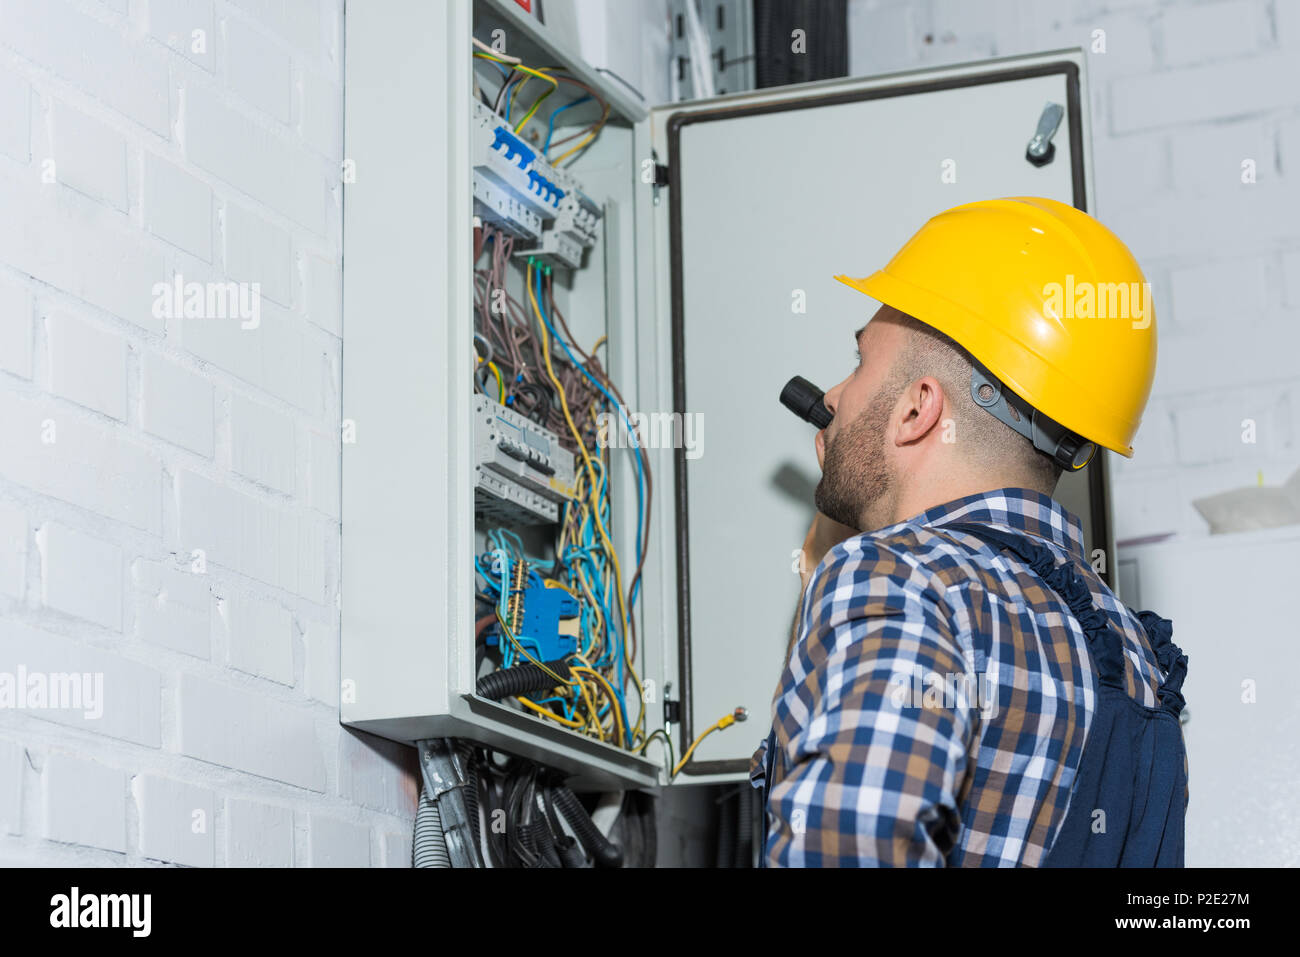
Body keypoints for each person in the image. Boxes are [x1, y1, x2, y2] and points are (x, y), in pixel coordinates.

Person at [752, 197, 1189, 867]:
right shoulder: (1136, 656)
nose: (833, 396)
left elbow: (850, 846)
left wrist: (852, 562)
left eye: (860, 361)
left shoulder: (899, 579)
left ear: (919, 408)